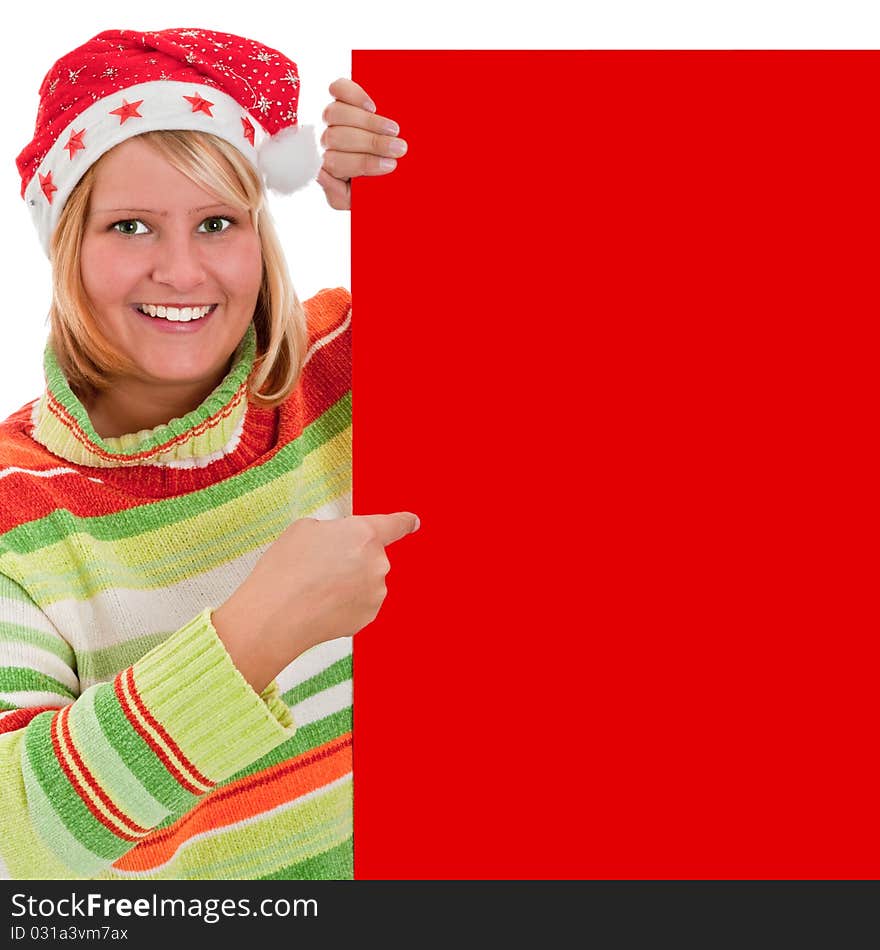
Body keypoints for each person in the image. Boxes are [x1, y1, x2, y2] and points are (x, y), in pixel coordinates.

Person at [0, 26, 418, 880]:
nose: (183, 271)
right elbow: (22, 842)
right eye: (131, 227)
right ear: (64, 245)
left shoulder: (347, 362)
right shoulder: (20, 512)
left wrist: (428, 189)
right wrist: (250, 637)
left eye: (217, 222)